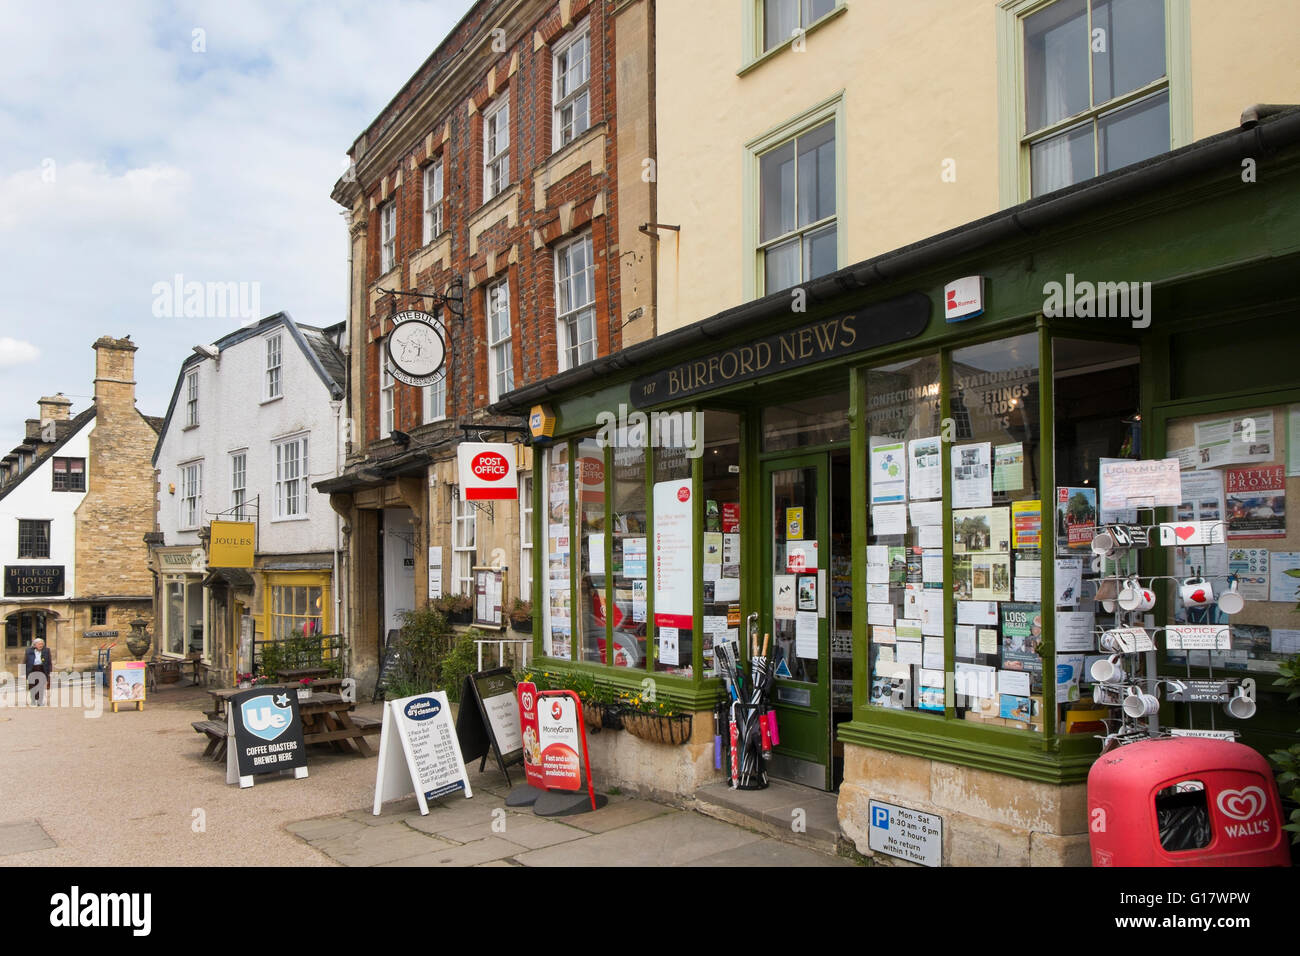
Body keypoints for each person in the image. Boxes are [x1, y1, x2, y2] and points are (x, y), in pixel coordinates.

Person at [24, 638, 52, 706]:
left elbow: (49, 662)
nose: (41, 645)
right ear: (35, 644)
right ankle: (33, 700)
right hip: (32, 670)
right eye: (39, 644)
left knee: (41, 686)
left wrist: (50, 672)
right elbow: (24, 662)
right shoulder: (28, 650)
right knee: (32, 686)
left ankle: (40, 701)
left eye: (42, 644)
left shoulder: (46, 650)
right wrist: (23, 673)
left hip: (42, 669)